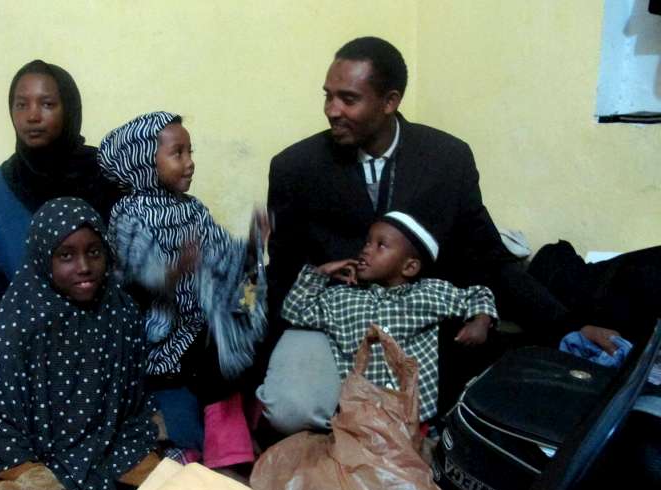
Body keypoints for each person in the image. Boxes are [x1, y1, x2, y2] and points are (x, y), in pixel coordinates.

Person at [264, 36, 620, 416]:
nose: (332, 110)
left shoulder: (446, 159)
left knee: (500, 404)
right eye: (328, 96)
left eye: (348, 99)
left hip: (421, 322)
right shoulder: (295, 167)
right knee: (290, 409)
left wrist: (567, 326)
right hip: (333, 321)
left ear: (389, 101)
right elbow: (284, 271)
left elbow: (489, 257)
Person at [0, 198, 159, 490]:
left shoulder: (119, 312)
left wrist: (111, 473)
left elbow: (132, 406)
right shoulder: (10, 330)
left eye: (94, 252)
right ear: (43, 259)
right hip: (34, 469)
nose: (84, 266)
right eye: (66, 256)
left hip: (115, 455)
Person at [0, 60, 120, 412]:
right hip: (30, 351)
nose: (32, 116)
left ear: (69, 108)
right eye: (21, 105)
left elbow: (132, 275)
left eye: (47, 104)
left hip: (104, 344)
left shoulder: (105, 177)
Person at [98, 111, 266, 466]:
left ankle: (239, 424)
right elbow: (138, 274)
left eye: (190, 152)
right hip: (160, 337)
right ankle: (226, 447)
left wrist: (252, 247)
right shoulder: (128, 213)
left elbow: (225, 254)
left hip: (197, 322)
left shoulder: (193, 210)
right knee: (217, 354)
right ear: (144, 161)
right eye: (178, 153)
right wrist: (173, 272)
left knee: (252, 311)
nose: (189, 163)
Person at [266, 211, 497, 429]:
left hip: (414, 417)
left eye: (381, 245)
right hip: (359, 417)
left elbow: (477, 294)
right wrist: (321, 273)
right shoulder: (341, 297)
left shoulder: (428, 293)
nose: (366, 250)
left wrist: (481, 321)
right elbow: (295, 311)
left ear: (409, 267)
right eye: (367, 243)